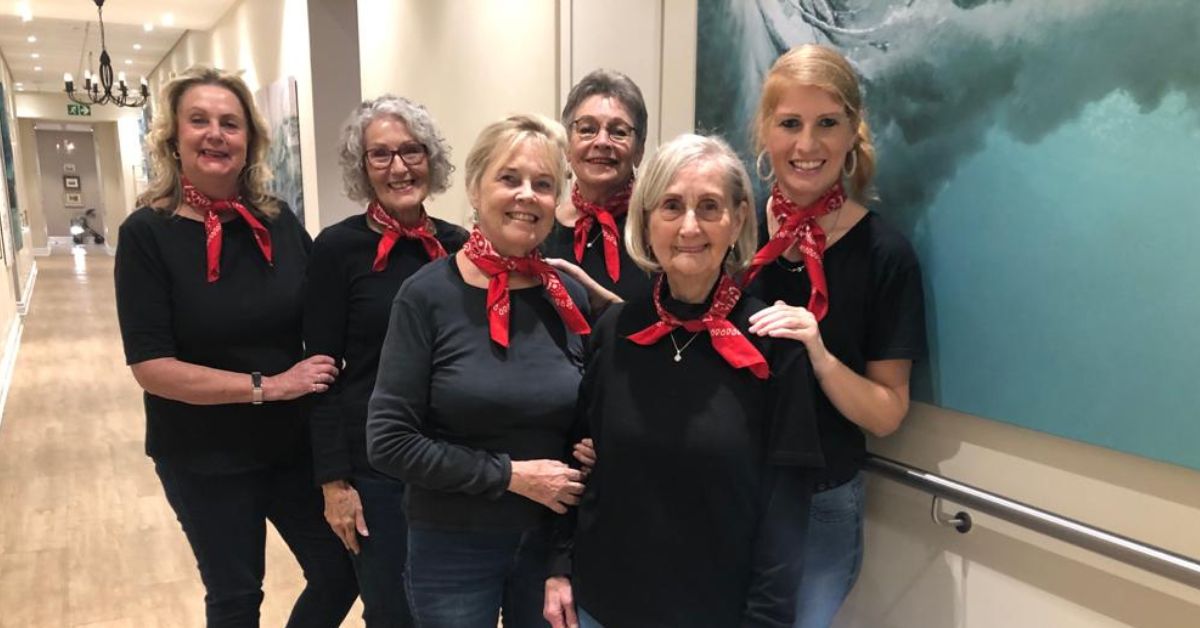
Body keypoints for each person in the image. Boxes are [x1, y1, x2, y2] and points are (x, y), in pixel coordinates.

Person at [543, 134, 823, 628]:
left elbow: (787, 505)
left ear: (737, 221)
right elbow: (581, 458)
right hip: (602, 604)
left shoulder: (773, 343)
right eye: (672, 206)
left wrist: (767, 621)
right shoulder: (615, 330)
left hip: (716, 612)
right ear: (647, 222)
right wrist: (559, 566)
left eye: (709, 206)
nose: (689, 226)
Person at [114, 65, 358, 627]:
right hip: (203, 455)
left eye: (230, 122)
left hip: (291, 448)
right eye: (198, 121)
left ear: (250, 139)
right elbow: (152, 367)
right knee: (236, 597)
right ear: (173, 138)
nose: (215, 134)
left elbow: (322, 313)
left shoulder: (276, 219)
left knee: (341, 570)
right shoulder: (146, 234)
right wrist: (269, 387)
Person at [366, 114, 591, 628]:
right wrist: (510, 476)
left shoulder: (567, 299)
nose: (526, 196)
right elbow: (389, 441)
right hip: (452, 548)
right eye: (509, 178)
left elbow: (580, 432)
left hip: (545, 548)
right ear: (474, 187)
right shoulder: (426, 297)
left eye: (543, 184)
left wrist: (563, 557)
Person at [742, 44, 927, 628]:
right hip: (727, 482)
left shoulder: (885, 256)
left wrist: (818, 354)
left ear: (852, 134)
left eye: (827, 124)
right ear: (765, 134)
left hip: (819, 501)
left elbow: (886, 413)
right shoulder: (729, 227)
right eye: (790, 124)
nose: (806, 146)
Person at [304, 95, 468, 627]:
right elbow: (320, 373)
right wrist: (334, 484)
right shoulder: (336, 249)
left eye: (411, 151)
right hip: (374, 469)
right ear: (363, 168)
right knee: (392, 610)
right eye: (381, 156)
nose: (399, 167)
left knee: (448, 606)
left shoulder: (460, 246)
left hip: (451, 462)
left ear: (431, 158)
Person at [541, 69, 654, 301]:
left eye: (618, 132)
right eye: (587, 129)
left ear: (639, 151)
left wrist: (608, 306)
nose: (602, 141)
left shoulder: (660, 228)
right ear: (567, 147)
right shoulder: (540, 226)